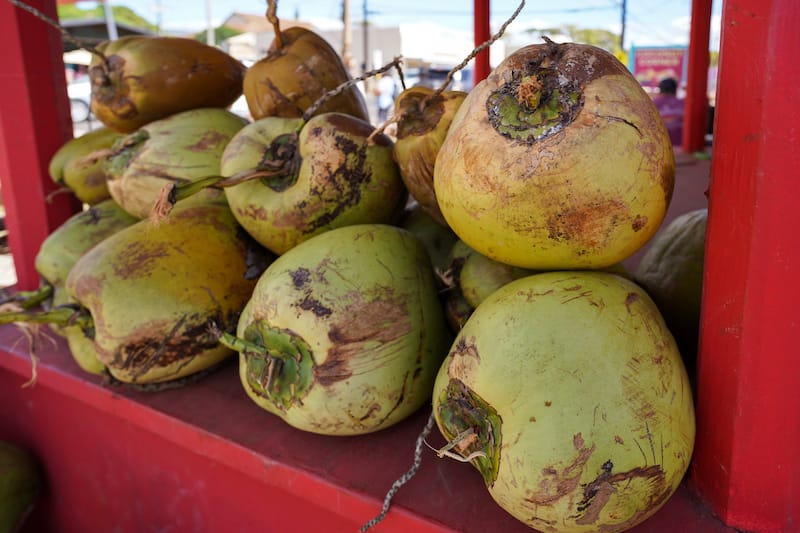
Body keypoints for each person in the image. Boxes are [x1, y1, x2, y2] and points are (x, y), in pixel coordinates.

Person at [653, 77, 685, 146]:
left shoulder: (652, 104)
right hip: (681, 145)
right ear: (675, 89)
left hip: (660, 146)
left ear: (660, 89)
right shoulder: (683, 103)